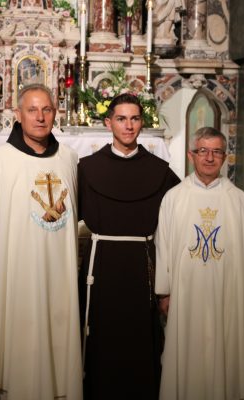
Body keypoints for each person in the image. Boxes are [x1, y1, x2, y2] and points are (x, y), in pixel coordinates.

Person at [0, 84, 82, 400]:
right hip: (15, 271)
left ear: (55, 113)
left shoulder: (68, 158)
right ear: (18, 115)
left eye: (46, 110)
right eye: (32, 110)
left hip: (59, 271)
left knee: (60, 332)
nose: (40, 117)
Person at [155, 126, 244, 400]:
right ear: (191, 155)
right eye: (203, 151)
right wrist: (164, 292)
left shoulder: (238, 199)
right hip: (184, 297)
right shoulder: (174, 198)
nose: (209, 158)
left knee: (227, 354)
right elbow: (163, 245)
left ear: (224, 157)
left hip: (228, 295)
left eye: (216, 152)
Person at [78, 94, 180, 400]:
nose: (128, 125)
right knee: (101, 339)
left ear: (142, 123)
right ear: (108, 122)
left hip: (141, 266)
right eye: (121, 119)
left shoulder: (159, 170)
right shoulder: (86, 168)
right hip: (100, 267)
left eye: (134, 119)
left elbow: (180, 214)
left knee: (139, 340)